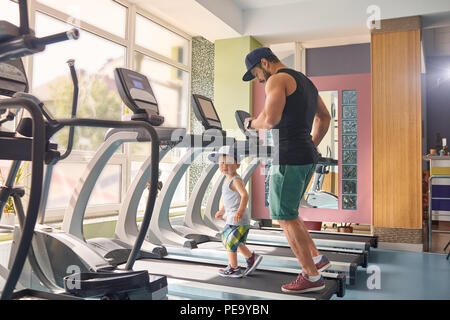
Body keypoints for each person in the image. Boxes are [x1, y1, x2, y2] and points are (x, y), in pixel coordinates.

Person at [242, 47, 332, 293]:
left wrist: (250, 122)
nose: (259, 80)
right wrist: (310, 145)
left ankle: (312, 277)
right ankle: (316, 258)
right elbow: (324, 118)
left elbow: (269, 120)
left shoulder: (277, 79)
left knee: (283, 216)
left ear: (264, 63)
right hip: (306, 156)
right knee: (291, 213)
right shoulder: (306, 82)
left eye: (256, 73)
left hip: (289, 155)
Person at [209, 145, 263, 278]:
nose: (224, 165)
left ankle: (234, 268)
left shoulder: (236, 180)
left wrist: (239, 211)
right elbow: (229, 199)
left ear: (237, 165)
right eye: (221, 162)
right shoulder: (227, 179)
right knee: (237, 242)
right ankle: (251, 258)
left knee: (228, 240)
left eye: (228, 162)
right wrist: (222, 210)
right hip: (235, 218)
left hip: (237, 218)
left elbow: (244, 195)